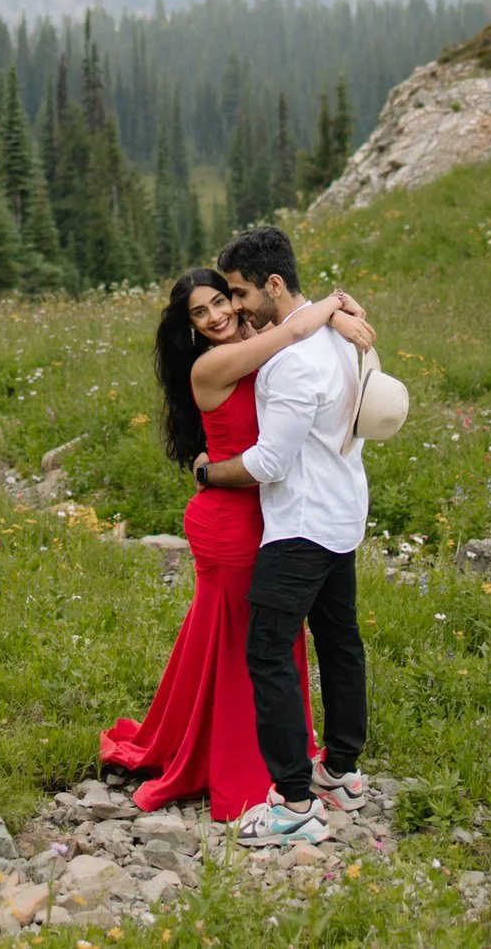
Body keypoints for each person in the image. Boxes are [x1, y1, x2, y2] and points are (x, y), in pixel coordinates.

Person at [99, 266, 375, 819]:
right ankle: (246, 765)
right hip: (232, 519)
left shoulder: (252, 341)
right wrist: (332, 311)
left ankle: (271, 755)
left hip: (269, 512)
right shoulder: (213, 364)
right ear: (192, 328)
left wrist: (340, 313)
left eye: (221, 301)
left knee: (258, 639)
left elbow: (294, 333)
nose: (216, 315)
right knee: (249, 643)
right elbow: (294, 331)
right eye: (200, 313)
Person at [196, 224, 371, 847]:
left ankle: (294, 801)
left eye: (240, 293)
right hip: (343, 512)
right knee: (339, 641)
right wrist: (339, 307)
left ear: (274, 285)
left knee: (269, 655)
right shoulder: (329, 335)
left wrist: (208, 473)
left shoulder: (293, 362)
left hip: (300, 527)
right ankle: (342, 773)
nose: (234, 306)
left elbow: (270, 462)